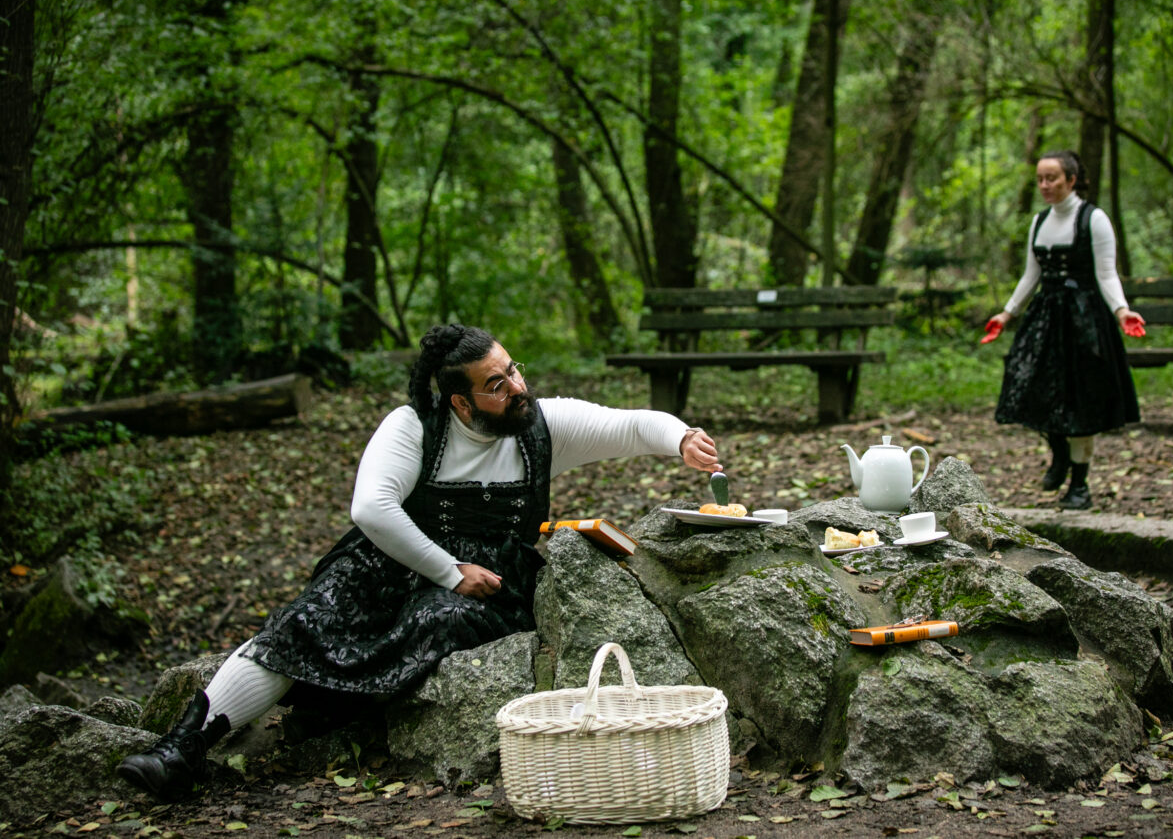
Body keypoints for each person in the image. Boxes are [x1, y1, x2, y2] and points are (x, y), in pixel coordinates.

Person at [116, 324, 722, 801]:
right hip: (397, 562)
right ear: (460, 402)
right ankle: (182, 750)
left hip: (492, 582)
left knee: (439, 621)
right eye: (496, 383)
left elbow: (627, 425)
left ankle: (329, 712)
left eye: (513, 370)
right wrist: (448, 568)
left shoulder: (541, 425)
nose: (516, 387)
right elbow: (372, 509)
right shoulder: (415, 428)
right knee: (303, 623)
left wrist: (680, 438)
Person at [981, 150, 1146, 510]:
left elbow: (1106, 273)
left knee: (1081, 401)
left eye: (1052, 178)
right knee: (1031, 388)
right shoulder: (1039, 222)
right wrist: (1007, 314)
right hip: (1045, 321)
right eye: (1040, 179)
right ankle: (1058, 453)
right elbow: (1031, 274)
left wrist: (1121, 311)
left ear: (1071, 180)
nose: (1044, 185)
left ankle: (1079, 484)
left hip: (1085, 322)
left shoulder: (1094, 219)